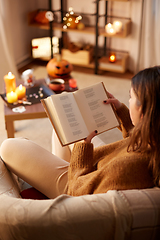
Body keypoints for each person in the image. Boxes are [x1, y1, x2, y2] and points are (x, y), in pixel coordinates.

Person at [1, 66, 159, 199]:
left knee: (9, 146)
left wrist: (83, 148)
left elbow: (78, 190)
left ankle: (52, 190)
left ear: (144, 111)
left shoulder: (127, 167)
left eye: (131, 97)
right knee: (65, 131)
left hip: (77, 185)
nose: (128, 101)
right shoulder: (153, 139)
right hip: (98, 168)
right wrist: (121, 111)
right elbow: (136, 143)